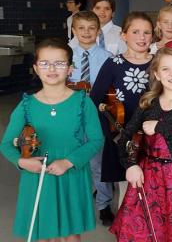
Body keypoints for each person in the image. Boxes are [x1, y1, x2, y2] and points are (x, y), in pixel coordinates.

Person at [0, 38, 104, 241]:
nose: (52, 68)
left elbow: (96, 140)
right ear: (36, 69)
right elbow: (6, 144)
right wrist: (22, 162)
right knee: (43, 232)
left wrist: (68, 161)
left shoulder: (83, 102)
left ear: (70, 68)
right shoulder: (27, 105)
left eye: (59, 63)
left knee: (70, 234)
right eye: (45, 63)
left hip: (71, 174)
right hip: (38, 174)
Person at [110, 46, 172, 241]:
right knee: (141, 232)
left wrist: (161, 127)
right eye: (166, 69)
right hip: (148, 178)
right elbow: (125, 138)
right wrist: (130, 165)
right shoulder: (148, 103)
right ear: (157, 74)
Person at [90, 12, 154, 225]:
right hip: (123, 136)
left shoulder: (159, 64)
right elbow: (96, 100)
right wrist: (113, 132)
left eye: (147, 32)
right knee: (128, 189)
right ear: (123, 35)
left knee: (154, 187)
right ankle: (127, 232)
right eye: (135, 31)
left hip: (155, 135)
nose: (142, 36)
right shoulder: (113, 64)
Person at [68, 11, 110, 87]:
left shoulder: (109, 57)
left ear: (98, 31)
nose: (86, 31)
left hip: (99, 98)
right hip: (72, 97)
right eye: (81, 28)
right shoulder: (67, 56)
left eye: (91, 28)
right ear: (74, 31)